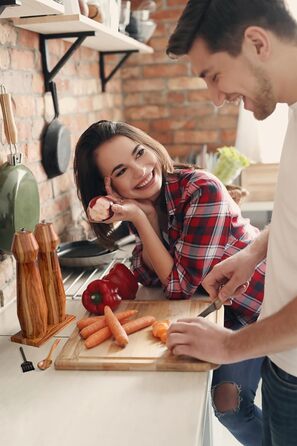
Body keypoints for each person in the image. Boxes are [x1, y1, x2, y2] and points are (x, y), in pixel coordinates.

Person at [74, 120, 266, 446]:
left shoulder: (201, 189)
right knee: (226, 404)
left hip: (266, 307)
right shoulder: (153, 203)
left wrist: (139, 218)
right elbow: (147, 272)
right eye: (121, 171)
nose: (140, 171)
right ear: (109, 188)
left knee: (243, 407)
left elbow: (179, 288)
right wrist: (147, 217)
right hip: (226, 309)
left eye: (139, 154)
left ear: (151, 146)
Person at [165, 1, 297, 445]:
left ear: (257, 43)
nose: (215, 98)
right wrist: (253, 253)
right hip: (283, 362)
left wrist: (226, 346)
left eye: (214, 76)